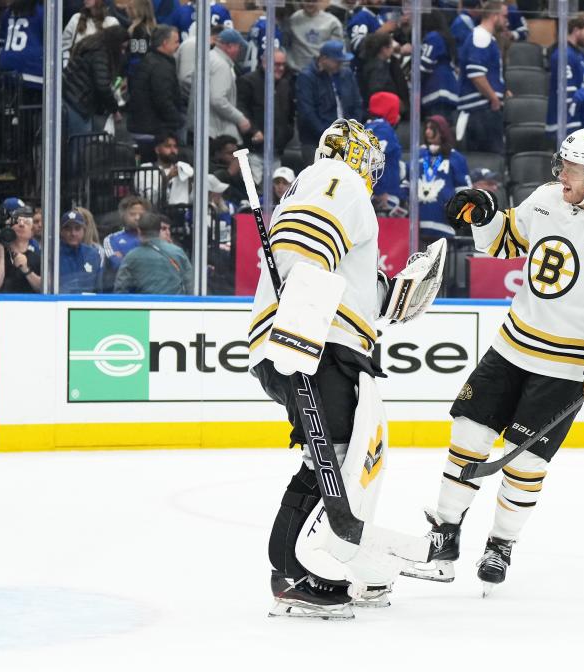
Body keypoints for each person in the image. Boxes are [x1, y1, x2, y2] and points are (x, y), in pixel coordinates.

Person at [402, 128, 584, 593]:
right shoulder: (544, 199)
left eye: (574, 170)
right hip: (511, 347)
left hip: (565, 368)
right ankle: (444, 535)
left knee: (525, 462)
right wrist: (483, 213)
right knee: (467, 434)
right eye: (563, 166)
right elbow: (501, 242)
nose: (563, 176)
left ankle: (500, 545)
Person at [247, 118, 435, 619]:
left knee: (338, 462)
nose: (372, 172)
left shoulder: (333, 189)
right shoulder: (338, 178)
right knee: (332, 460)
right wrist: (299, 331)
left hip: (321, 339)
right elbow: (301, 245)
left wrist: (391, 298)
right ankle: (290, 572)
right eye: (369, 160)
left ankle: (333, 565)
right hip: (316, 341)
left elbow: (339, 276)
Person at [456, 0, 508, 153]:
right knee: (490, 159)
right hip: (481, 111)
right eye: (504, 16)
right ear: (494, 16)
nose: (507, 21)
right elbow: (476, 74)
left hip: (481, 110)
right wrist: (494, 98)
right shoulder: (480, 36)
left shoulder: (484, 37)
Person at [237, 47, 295, 184]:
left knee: (275, 195)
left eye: (283, 65)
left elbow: (290, 115)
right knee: (254, 193)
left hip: (276, 152)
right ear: (264, 63)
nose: (281, 68)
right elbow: (241, 109)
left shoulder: (285, 85)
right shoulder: (248, 82)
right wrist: (253, 131)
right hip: (253, 151)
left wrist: (286, 134)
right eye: (277, 64)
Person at [62, 25, 130, 139]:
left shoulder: (91, 45)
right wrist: (114, 110)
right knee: (80, 146)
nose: (122, 52)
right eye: (122, 48)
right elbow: (102, 86)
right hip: (78, 104)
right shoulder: (101, 54)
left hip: (67, 97)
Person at [296, 40, 364, 146]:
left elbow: (357, 103)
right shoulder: (307, 77)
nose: (340, 64)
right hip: (316, 141)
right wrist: (327, 135)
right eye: (337, 61)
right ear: (323, 59)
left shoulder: (346, 74)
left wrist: (353, 129)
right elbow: (308, 112)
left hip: (347, 137)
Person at [127, 25, 183, 147]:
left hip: (141, 124)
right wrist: (178, 120)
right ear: (165, 43)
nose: (178, 45)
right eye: (176, 42)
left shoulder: (149, 59)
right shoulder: (161, 67)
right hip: (153, 129)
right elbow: (163, 99)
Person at [416, 115, 471, 241]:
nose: (427, 131)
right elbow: (407, 182)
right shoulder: (419, 154)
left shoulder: (456, 158)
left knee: (440, 259)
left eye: (432, 128)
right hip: (418, 223)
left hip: (443, 223)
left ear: (442, 131)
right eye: (426, 128)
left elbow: (464, 191)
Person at [114, 211, 193, 294]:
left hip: (145, 304)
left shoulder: (131, 257)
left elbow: (120, 289)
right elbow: (190, 285)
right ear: (159, 231)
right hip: (175, 304)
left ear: (139, 231)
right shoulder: (178, 252)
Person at [546, 12, 584, 136]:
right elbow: (568, 92)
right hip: (566, 122)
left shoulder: (580, 55)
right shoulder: (564, 54)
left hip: (577, 119)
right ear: (576, 30)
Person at [365, 92, 406, 215]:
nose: (398, 116)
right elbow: (374, 160)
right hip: (384, 198)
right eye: (396, 111)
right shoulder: (384, 130)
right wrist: (380, 190)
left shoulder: (366, 127)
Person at [0, 0, 45, 103]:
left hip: (7, 68)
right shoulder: (42, 12)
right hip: (31, 70)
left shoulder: (8, 12)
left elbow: (1, 41)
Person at [209, 29, 251, 142]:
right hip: (216, 132)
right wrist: (240, 118)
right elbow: (217, 100)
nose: (239, 51)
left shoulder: (209, 58)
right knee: (241, 158)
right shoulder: (221, 65)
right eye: (238, 47)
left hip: (207, 129)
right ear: (229, 46)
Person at [0, 205, 41, 293]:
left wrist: (26, 270)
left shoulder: (38, 258)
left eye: (27, 223)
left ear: (32, 232)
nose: (21, 224)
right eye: (17, 222)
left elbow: (44, 289)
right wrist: (0, 252)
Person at [420, 10, 460, 123]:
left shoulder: (433, 37)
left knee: (437, 131)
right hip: (449, 90)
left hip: (437, 90)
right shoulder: (445, 37)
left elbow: (425, 66)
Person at [287, 0, 344, 73]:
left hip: (323, 74)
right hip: (297, 73)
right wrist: (291, 65)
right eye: (307, 1)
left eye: (314, 1)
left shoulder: (332, 23)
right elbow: (286, 46)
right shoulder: (293, 19)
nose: (310, 4)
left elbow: (338, 52)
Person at [62, 0, 121, 68]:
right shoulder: (76, 19)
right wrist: (66, 64)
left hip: (101, 72)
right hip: (77, 72)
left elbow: (115, 53)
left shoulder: (112, 23)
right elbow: (64, 47)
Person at [140, 132, 194, 206]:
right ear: (157, 150)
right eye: (168, 146)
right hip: (155, 214)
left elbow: (190, 200)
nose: (172, 150)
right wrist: (168, 178)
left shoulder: (181, 168)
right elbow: (149, 199)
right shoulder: (146, 168)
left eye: (175, 146)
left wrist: (189, 182)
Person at [59, 209, 104, 294]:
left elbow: (98, 288)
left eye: (77, 228)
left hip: (87, 304)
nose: (73, 233)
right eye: (68, 229)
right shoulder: (53, 254)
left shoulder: (93, 254)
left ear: (84, 230)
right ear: (61, 231)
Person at [358, 32, 407, 108]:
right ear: (384, 49)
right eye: (390, 46)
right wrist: (396, 102)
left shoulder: (374, 65)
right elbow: (378, 91)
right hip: (385, 111)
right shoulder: (378, 68)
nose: (392, 49)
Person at [104, 195, 150, 270]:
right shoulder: (111, 239)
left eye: (141, 215)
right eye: (132, 214)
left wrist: (124, 258)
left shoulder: (154, 237)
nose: (137, 218)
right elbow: (117, 265)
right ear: (123, 215)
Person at [125, 0, 157, 76]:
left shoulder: (138, 29)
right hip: (150, 70)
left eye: (130, 8)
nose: (127, 10)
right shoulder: (151, 26)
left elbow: (136, 56)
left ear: (138, 10)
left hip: (138, 73)